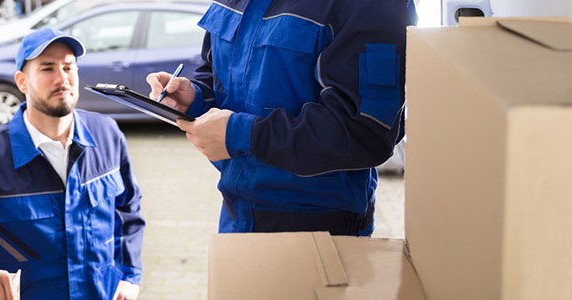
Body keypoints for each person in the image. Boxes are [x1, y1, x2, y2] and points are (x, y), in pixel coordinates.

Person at [147, 0, 418, 236]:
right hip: (235, 216)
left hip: (319, 228)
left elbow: (365, 132)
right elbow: (214, 70)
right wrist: (195, 97)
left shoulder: (374, 4)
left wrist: (241, 134)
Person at [0, 27, 144, 300]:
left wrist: (129, 276)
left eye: (68, 67)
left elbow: (128, 211)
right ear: (22, 82)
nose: (62, 78)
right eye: (47, 69)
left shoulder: (107, 135)